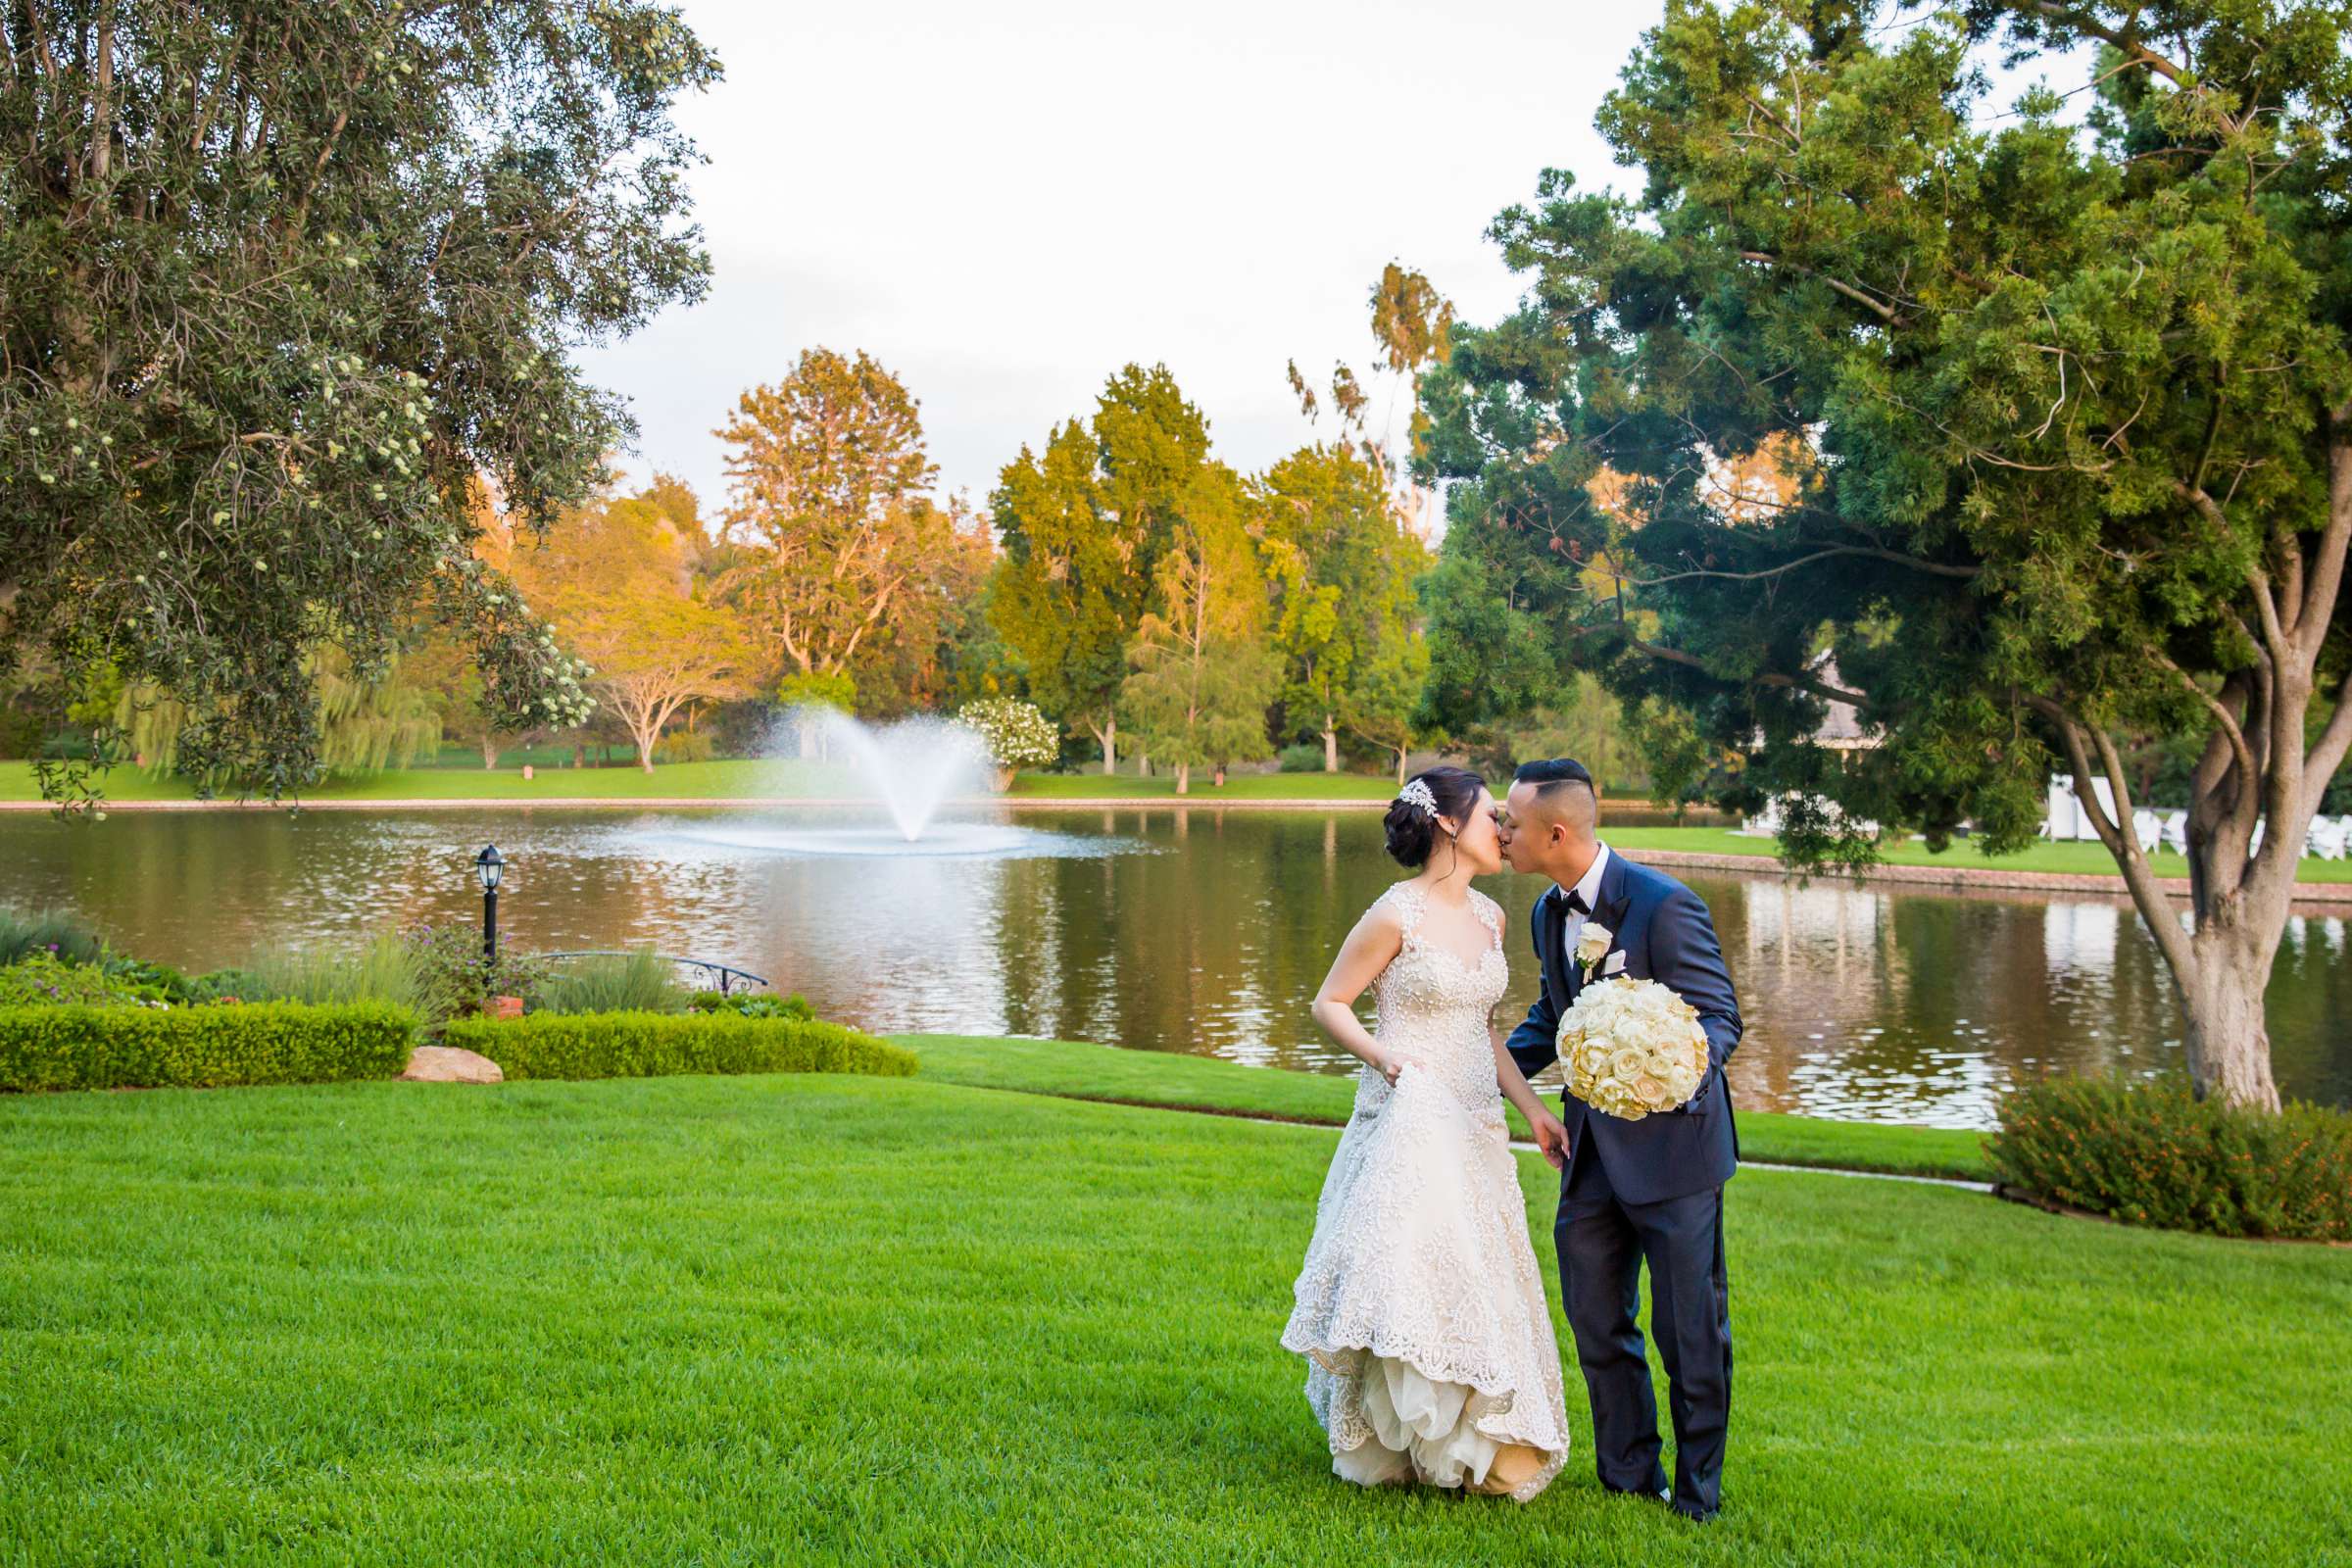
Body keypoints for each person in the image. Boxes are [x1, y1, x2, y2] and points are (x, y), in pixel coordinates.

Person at [1280, 765, 1574, 1501]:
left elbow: (1484, 1032)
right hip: (1411, 1112)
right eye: (1489, 819)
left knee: (1477, 1268)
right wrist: (1383, 1057)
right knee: (1415, 1270)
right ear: (1448, 824)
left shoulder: (1491, 918)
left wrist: (1533, 1109)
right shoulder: (1393, 913)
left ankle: (1475, 1445)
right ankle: (1398, 1444)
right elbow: (1330, 1003)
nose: (1502, 832)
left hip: (1475, 1118)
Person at [1497, 757, 1741, 1524]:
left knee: (1687, 1331)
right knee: (1598, 1321)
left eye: (1510, 822)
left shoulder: (1666, 906)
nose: (1500, 832)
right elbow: (1554, 1014)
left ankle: (1698, 1495)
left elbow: (1721, 1019)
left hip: (1675, 1159)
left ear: (1556, 831)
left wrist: (1665, 1078)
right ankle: (1629, 1476)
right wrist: (1477, 1067)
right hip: (1590, 1157)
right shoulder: (1548, 912)